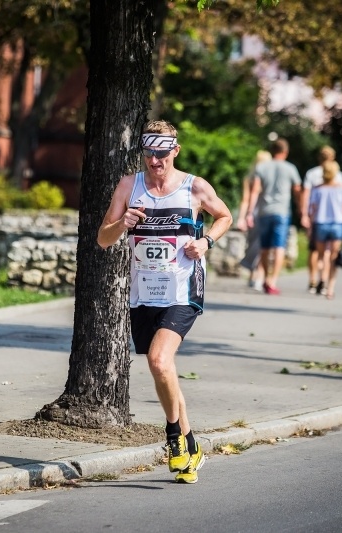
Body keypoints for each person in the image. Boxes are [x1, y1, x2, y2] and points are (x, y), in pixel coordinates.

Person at [97, 119, 232, 484]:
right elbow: (103, 239)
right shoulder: (129, 186)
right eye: (148, 152)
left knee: (159, 359)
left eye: (161, 152)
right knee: (162, 368)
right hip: (144, 293)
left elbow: (225, 216)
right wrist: (121, 223)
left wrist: (206, 242)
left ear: (175, 150)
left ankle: (173, 437)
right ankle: (191, 446)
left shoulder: (195, 187)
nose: (154, 161)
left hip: (182, 290)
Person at [245, 138, 301, 295]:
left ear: (272, 150)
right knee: (279, 247)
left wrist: (250, 212)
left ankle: (264, 279)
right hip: (282, 212)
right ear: (285, 152)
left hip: (264, 212)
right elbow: (297, 189)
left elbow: (255, 191)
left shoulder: (262, 167)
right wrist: (301, 207)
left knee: (264, 247)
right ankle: (272, 281)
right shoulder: (290, 168)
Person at [301, 145, 342, 293]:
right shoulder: (338, 175)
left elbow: (307, 196)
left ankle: (313, 280)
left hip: (318, 219)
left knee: (315, 252)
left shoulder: (312, 174)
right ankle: (325, 282)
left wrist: (305, 215)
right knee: (330, 254)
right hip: (336, 221)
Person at [307, 160, 342, 299]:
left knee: (321, 255)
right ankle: (330, 288)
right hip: (338, 225)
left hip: (320, 224)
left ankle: (322, 279)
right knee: (333, 256)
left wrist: (310, 227)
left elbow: (312, 209)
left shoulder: (317, 189)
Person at [237, 150, 271, 291]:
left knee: (253, 245)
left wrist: (242, 217)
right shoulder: (270, 177)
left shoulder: (250, 178)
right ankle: (260, 276)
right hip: (266, 213)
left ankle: (253, 276)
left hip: (253, 215)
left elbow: (245, 200)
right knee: (263, 247)